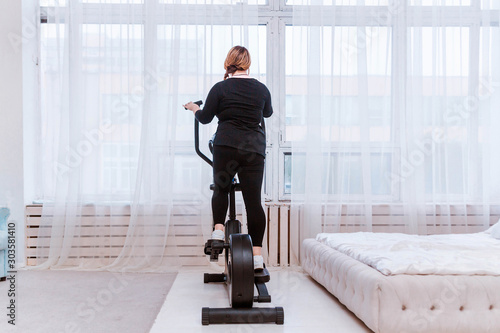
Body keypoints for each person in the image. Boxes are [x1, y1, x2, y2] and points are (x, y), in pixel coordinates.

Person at [184, 46, 272, 271]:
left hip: (226, 146)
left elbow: (205, 119)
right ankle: (257, 257)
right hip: (253, 150)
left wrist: (194, 108)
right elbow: (268, 113)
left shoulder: (220, 88)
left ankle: (218, 230)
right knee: (254, 202)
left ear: (228, 64)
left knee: (221, 189)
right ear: (248, 64)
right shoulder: (261, 89)